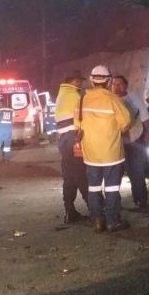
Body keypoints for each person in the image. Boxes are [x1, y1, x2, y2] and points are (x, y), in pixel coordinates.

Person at [75, 65, 131, 233]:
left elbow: (77, 125)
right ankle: (113, 221)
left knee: (93, 188)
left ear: (92, 81)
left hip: (91, 154)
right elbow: (126, 123)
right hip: (112, 153)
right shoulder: (113, 100)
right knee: (112, 188)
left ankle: (97, 220)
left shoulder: (82, 100)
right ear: (108, 82)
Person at [111, 75, 149, 209]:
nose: (116, 87)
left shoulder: (134, 98)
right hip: (116, 143)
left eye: (120, 84)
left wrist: (148, 135)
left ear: (126, 86)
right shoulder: (109, 100)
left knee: (137, 172)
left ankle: (141, 200)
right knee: (114, 174)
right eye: (114, 84)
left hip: (135, 140)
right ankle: (114, 202)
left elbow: (146, 118)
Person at [54, 75, 88, 223]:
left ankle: (70, 212)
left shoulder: (61, 95)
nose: (82, 83)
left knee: (69, 177)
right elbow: (84, 117)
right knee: (82, 175)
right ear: (74, 81)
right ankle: (96, 212)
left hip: (63, 139)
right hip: (73, 138)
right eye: (80, 81)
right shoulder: (74, 95)